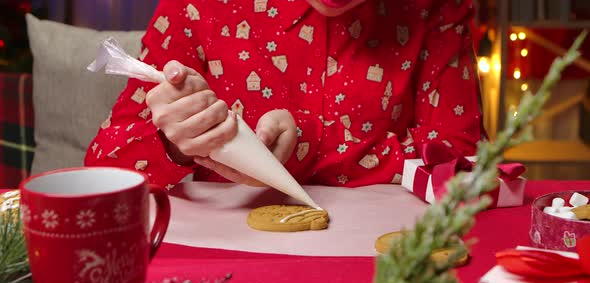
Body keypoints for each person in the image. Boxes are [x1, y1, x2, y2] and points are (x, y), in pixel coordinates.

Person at [85, 0, 484, 189]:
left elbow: (465, 163)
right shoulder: (196, 8)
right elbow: (104, 167)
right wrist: (176, 144)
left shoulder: (434, 9)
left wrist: (310, 144)